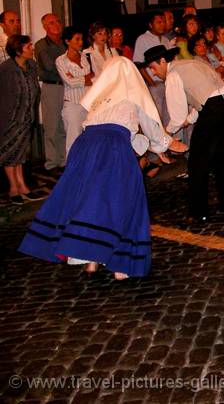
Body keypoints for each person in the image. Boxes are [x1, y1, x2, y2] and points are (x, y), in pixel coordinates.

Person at [18, 57, 187, 280]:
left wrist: (154, 146)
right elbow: (149, 127)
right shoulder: (132, 93)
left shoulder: (100, 98)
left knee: (89, 202)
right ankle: (121, 265)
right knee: (124, 200)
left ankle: (90, 261)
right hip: (113, 149)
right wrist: (167, 144)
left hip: (85, 148)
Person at [145, 44, 224, 223]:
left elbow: (177, 117)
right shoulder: (193, 64)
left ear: (163, 61)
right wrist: (188, 120)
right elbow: (212, 94)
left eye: (153, 67)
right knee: (218, 157)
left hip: (214, 111)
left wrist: (165, 134)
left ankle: (199, 212)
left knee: (196, 161)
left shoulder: (174, 75)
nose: (153, 73)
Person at [0, 35, 44, 204]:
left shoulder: (31, 65)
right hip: (10, 118)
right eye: (28, 46)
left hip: (26, 117)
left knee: (21, 154)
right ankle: (14, 188)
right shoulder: (6, 69)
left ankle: (22, 186)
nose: (32, 49)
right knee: (10, 153)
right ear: (18, 51)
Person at [35, 13, 67, 172]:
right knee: (52, 126)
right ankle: (51, 163)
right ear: (45, 27)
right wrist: (69, 71)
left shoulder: (65, 43)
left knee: (63, 125)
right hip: (52, 87)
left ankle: (63, 160)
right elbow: (49, 66)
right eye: (51, 22)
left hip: (67, 87)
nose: (56, 25)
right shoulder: (41, 45)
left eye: (58, 21)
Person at [56, 26, 93, 154]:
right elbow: (70, 82)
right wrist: (85, 78)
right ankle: (72, 171)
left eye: (81, 39)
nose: (80, 42)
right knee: (73, 141)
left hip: (88, 104)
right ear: (67, 41)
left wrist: (79, 78)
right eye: (77, 39)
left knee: (90, 139)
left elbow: (94, 78)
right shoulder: (61, 60)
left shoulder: (85, 57)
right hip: (73, 104)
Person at [133, 12, 171, 124]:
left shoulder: (165, 40)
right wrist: (150, 82)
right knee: (156, 116)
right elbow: (138, 63)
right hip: (154, 83)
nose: (162, 25)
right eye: (158, 22)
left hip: (167, 82)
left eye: (163, 22)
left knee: (168, 115)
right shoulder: (143, 39)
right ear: (150, 24)